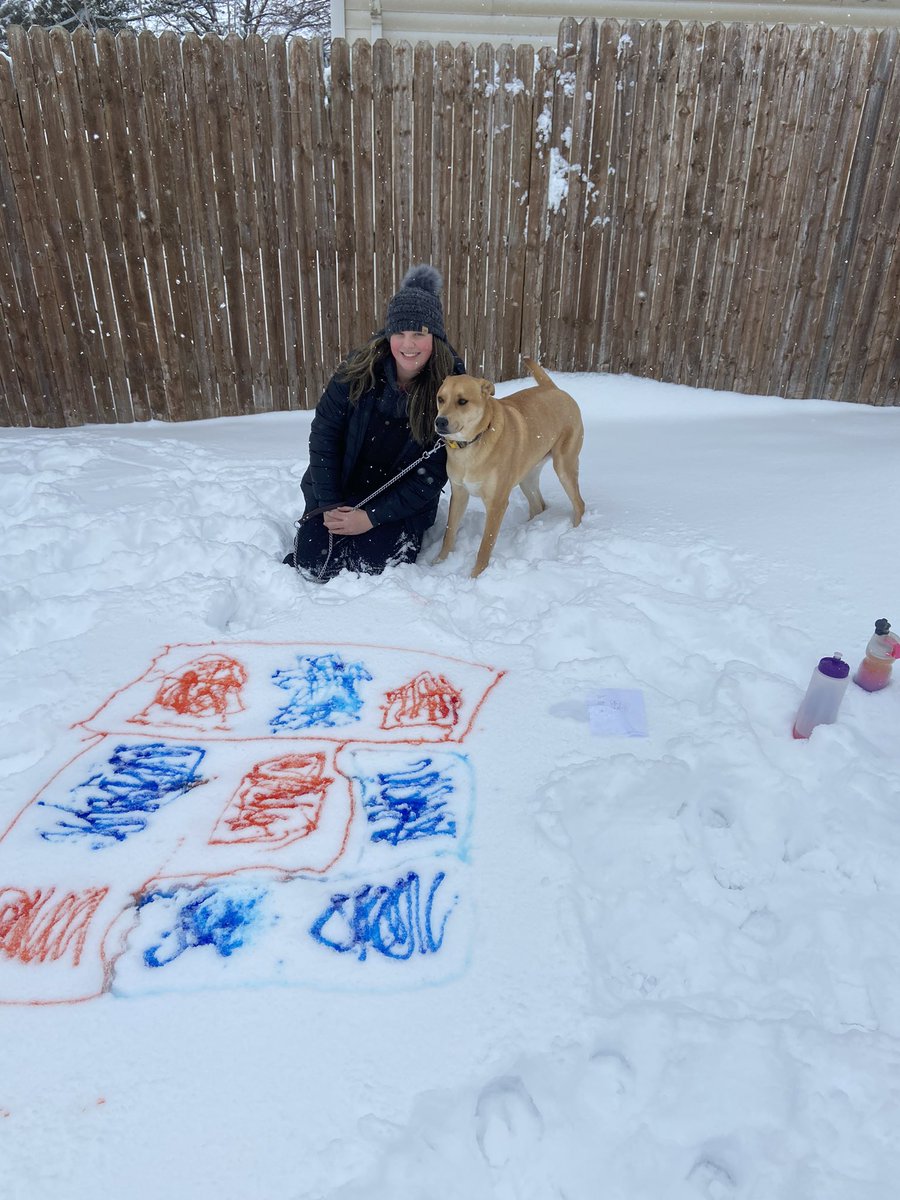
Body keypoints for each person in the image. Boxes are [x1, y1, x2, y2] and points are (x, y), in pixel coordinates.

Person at [284, 265, 465, 582]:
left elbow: (435, 471)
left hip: (399, 503)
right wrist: (328, 505)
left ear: (434, 337)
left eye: (419, 334)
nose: (408, 345)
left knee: (371, 564)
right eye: (400, 333)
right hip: (340, 488)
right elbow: (324, 438)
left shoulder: (452, 388)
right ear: (388, 335)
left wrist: (373, 517)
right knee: (314, 561)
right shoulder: (357, 371)